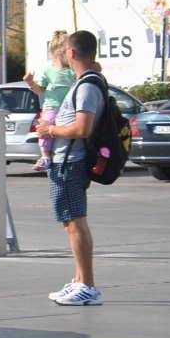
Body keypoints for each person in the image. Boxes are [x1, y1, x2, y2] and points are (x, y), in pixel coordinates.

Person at [35, 30, 107, 306]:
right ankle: (80, 280)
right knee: (71, 222)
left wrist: (49, 129)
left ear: (72, 53)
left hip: (70, 163)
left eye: (65, 50)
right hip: (67, 162)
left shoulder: (87, 85)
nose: (63, 54)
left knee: (75, 222)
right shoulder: (85, 81)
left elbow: (82, 127)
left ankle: (87, 285)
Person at [24, 30, 75, 172]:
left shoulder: (73, 71)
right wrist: (30, 82)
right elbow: (40, 90)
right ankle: (45, 156)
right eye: (69, 50)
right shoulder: (49, 71)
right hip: (52, 107)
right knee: (45, 127)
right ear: (60, 52)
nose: (72, 53)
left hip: (68, 109)